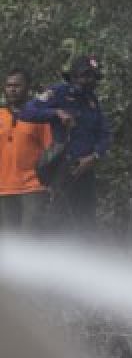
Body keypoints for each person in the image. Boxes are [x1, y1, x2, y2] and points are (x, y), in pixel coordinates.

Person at [18, 55, 111, 232]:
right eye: (85, 75)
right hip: (63, 168)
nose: (89, 80)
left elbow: (104, 133)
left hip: (86, 169)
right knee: (59, 221)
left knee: (86, 222)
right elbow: (27, 112)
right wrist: (56, 113)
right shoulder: (58, 92)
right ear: (74, 76)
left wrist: (95, 155)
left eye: (93, 76)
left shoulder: (93, 101)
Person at [0, 68, 52, 231]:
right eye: (9, 85)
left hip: (33, 187)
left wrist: (52, 183)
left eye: (17, 85)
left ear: (28, 87)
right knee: (9, 243)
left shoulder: (40, 116)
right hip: (4, 188)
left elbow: (51, 150)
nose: (13, 89)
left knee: (30, 241)